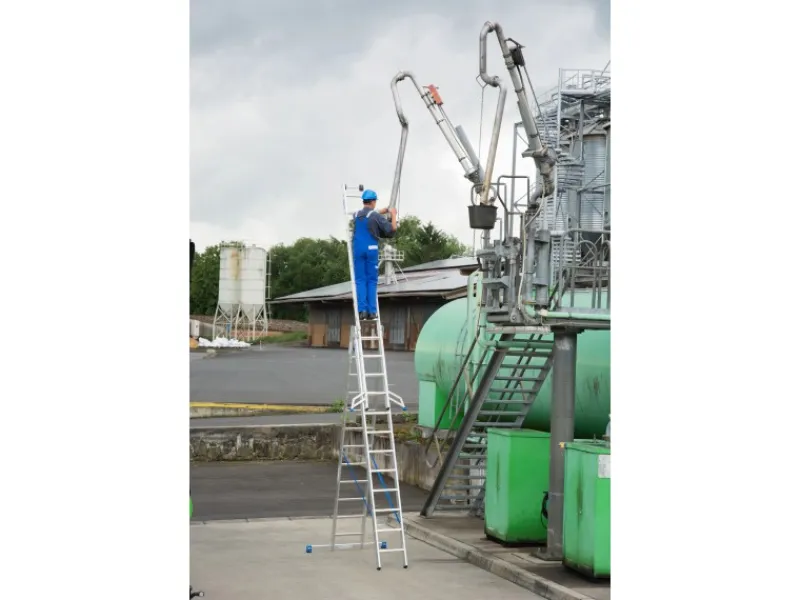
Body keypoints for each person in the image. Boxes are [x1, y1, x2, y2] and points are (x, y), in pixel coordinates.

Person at [352, 189, 398, 321]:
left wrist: (381, 211)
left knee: (360, 280)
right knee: (372, 281)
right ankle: (372, 312)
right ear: (373, 201)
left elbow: (368, 214)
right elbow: (392, 229)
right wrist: (393, 214)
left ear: (364, 201)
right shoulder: (376, 216)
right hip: (371, 249)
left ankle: (362, 311)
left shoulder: (356, 215)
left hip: (358, 250)